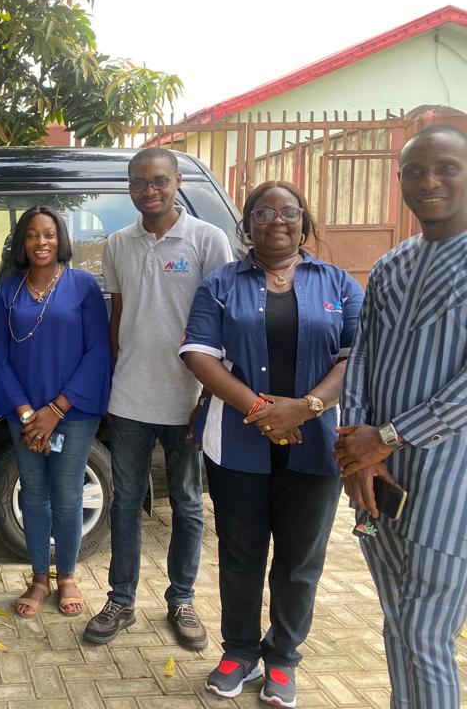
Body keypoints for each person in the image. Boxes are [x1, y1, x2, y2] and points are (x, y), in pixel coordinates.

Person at [180, 180, 363, 706]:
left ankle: (283, 657)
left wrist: (305, 407)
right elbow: (198, 353)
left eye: (289, 212)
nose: (277, 221)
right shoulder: (221, 283)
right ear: (247, 225)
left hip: (317, 442)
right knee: (240, 553)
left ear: (304, 221)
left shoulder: (339, 284)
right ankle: (239, 652)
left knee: (300, 559)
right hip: (237, 444)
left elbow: (357, 356)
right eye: (263, 212)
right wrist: (262, 411)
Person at [336, 124, 467, 709]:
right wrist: (359, 455)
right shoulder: (391, 265)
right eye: (414, 171)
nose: (429, 181)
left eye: (446, 168)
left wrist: (390, 436)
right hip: (379, 483)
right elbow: (361, 361)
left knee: (426, 632)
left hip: (448, 483)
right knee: (396, 620)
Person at [84, 147, 233, 649]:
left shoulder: (208, 239)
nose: (149, 190)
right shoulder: (118, 244)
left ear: (176, 182)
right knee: (125, 502)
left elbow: (224, 321)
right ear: (129, 187)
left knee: (187, 503)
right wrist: (110, 383)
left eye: (159, 181)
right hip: (129, 398)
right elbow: (118, 316)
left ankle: (182, 599)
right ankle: (121, 600)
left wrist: (209, 396)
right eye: (139, 182)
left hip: (187, 397)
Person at [0, 206, 110, 617]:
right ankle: (38, 579)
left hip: (74, 410)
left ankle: (67, 576)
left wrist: (55, 410)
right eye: (32, 234)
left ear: (60, 239)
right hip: (25, 414)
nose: (41, 242)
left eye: (49, 234)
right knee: (34, 496)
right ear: (22, 242)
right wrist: (27, 414)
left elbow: (97, 352)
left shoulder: (83, 286)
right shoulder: (8, 290)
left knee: (67, 497)